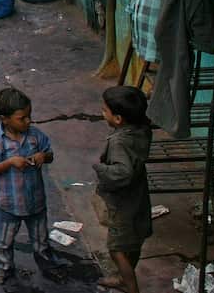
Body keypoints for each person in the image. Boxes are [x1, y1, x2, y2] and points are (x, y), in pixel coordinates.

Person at [0, 87, 66, 284]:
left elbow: (50, 154)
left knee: (41, 239)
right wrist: (10, 162)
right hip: (8, 204)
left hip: (36, 200)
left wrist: (42, 156)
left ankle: (48, 265)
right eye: (22, 118)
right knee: (4, 241)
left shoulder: (35, 136)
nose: (28, 121)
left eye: (29, 116)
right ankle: (2, 268)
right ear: (4, 119)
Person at [94, 86, 153, 293]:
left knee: (116, 247)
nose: (102, 113)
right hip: (138, 195)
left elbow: (122, 173)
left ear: (118, 118)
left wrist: (100, 168)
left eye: (104, 110)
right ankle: (123, 277)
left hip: (122, 201)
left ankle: (130, 286)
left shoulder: (119, 141)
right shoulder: (143, 129)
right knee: (134, 241)